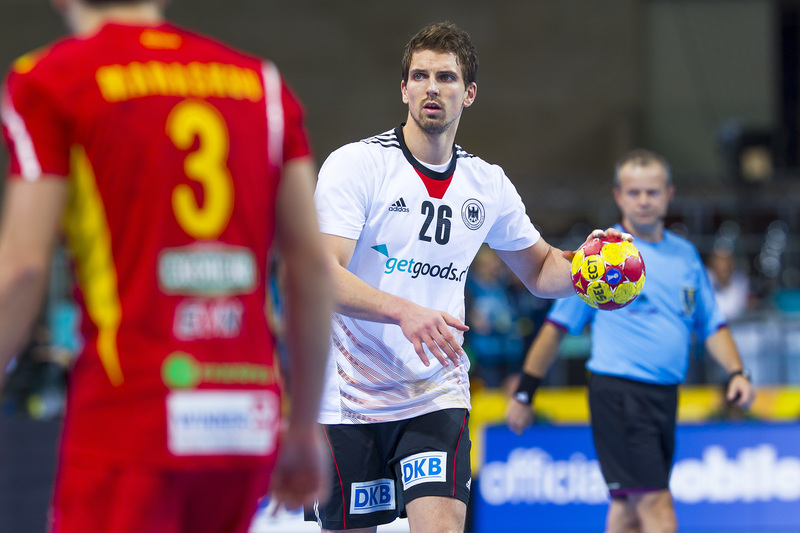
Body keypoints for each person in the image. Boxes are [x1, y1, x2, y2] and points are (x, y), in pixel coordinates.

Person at [0, 1, 333, 532]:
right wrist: (303, 424)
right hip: (243, 418)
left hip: (130, 417)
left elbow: (21, 269)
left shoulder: (50, 79)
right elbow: (311, 266)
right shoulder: (261, 85)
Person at [306, 21, 624, 533]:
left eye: (446, 77)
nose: (432, 87)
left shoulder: (486, 183)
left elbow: (541, 268)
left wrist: (591, 270)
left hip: (435, 392)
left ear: (469, 93)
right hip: (350, 397)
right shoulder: (357, 165)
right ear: (403, 89)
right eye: (420, 76)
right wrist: (403, 311)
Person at [506, 149, 756, 533]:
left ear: (669, 195)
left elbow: (712, 325)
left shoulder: (686, 256)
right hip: (619, 394)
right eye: (633, 192)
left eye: (651, 192)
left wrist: (737, 372)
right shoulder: (600, 259)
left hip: (665, 395)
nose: (643, 200)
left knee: (627, 511)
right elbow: (555, 328)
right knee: (656, 507)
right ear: (618, 196)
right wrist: (525, 393)